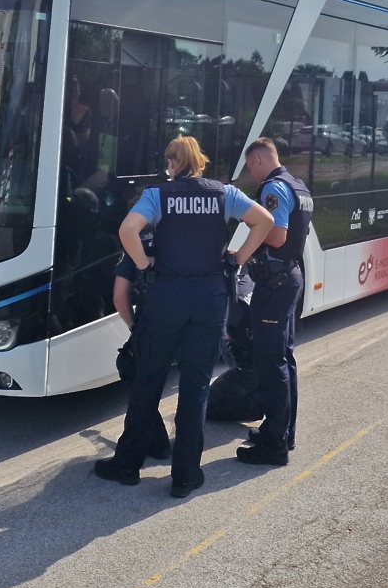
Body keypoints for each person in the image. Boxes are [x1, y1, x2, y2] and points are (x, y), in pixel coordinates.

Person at [93, 136, 273, 497]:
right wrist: (237, 258)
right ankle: (186, 475)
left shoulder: (158, 195)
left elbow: (128, 230)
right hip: (209, 298)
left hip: (166, 297)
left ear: (173, 163)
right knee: (195, 387)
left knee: (148, 381)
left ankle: (127, 465)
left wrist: (144, 265)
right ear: (200, 162)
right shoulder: (224, 194)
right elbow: (264, 221)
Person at [236, 138, 312, 467]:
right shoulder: (298, 185)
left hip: (275, 284)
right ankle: (283, 431)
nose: (249, 171)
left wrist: (249, 220)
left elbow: (277, 235)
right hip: (289, 277)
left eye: (249, 165)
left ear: (257, 159)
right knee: (285, 358)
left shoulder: (273, 188)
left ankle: (273, 445)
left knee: (271, 362)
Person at [111, 227, 171, 461]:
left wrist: (133, 327)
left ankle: (153, 446)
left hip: (152, 327)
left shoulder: (137, 243)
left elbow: (119, 297)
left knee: (139, 381)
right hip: (190, 323)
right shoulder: (182, 240)